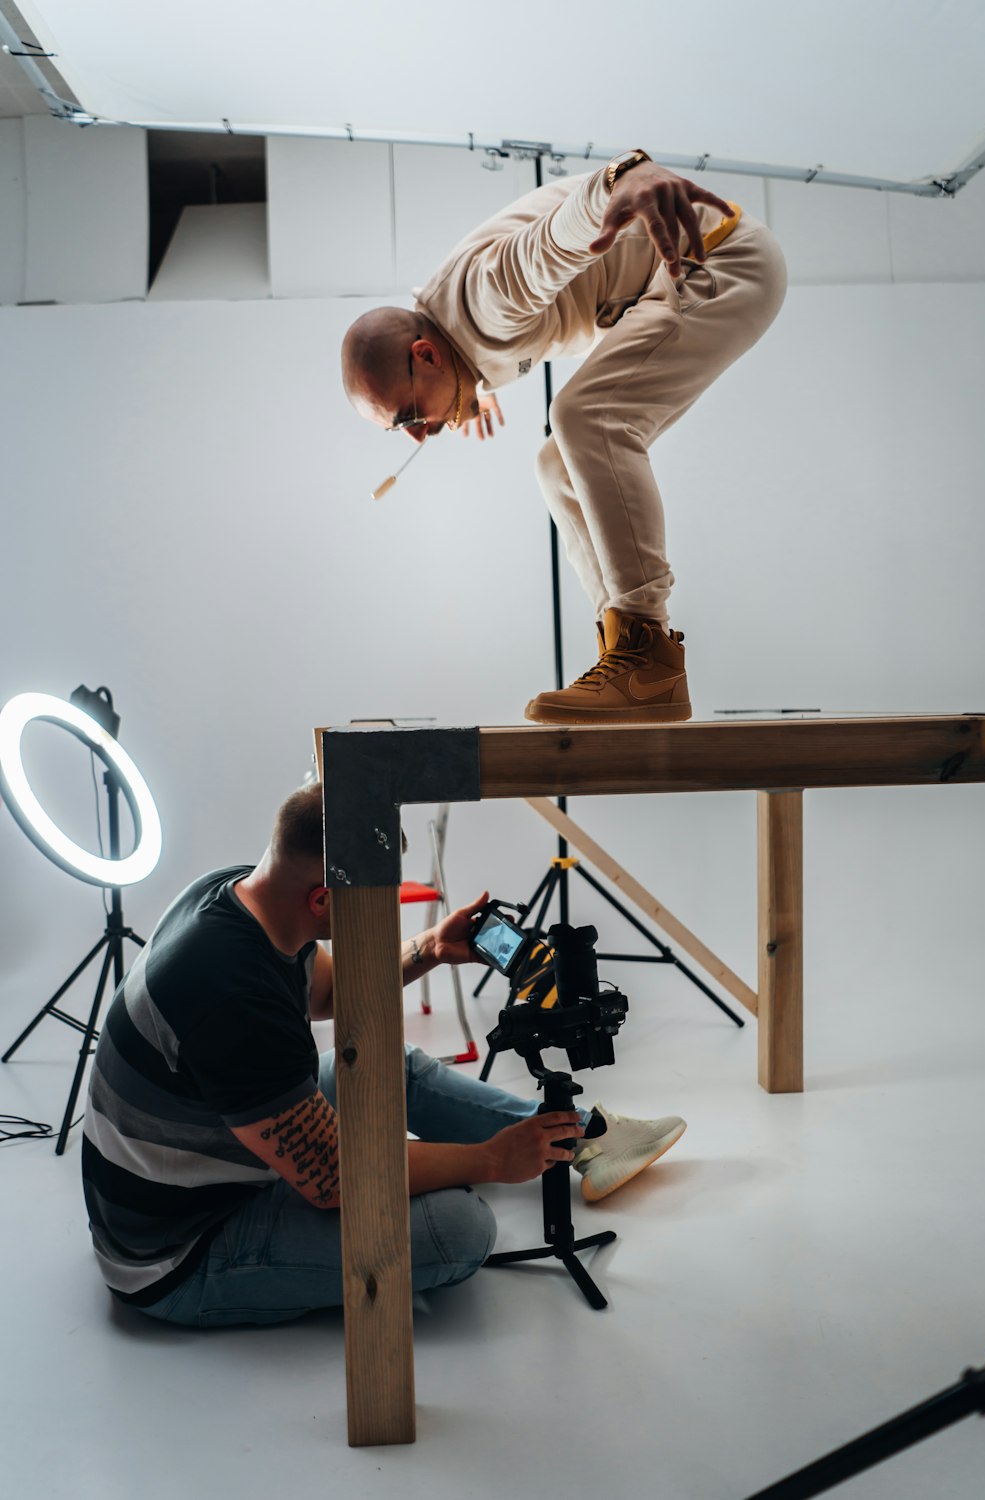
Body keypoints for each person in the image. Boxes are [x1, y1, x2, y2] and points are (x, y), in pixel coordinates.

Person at [82, 782, 686, 1327]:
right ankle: (529, 1143)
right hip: (178, 1253)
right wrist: (491, 1161)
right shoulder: (231, 994)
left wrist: (428, 947)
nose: (385, 912)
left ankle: (583, 1139)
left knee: (386, 1062)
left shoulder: (238, 897)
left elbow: (324, 988)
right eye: (377, 899)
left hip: (212, 1152)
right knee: (460, 1228)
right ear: (322, 899)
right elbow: (334, 1179)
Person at [342, 149, 787, 724]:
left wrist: (621, 181)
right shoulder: (457, 330)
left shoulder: (483, 302)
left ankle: (646, 658)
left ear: (425, 355)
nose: (421, 435)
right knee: (556, 465)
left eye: (408, 418)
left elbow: (548, 246)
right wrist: (468, 389)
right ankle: (624, 648)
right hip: (695, 273)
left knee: (585, 416)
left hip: (720, 261)